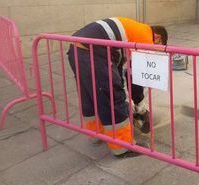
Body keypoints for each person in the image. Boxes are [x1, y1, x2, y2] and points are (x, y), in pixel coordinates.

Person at [67, 17, 168, 158]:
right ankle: (123, 147)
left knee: (90, 95)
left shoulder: (133, 30)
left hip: (76, 48)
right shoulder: (146, 39)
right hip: (95, 52)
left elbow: (119, 69)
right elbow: (135, 77)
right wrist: (139, 105)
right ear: (157, 38)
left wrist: (121, 87)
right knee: (113, 97)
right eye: (158, 48)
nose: (155, 52)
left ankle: (96, 133)